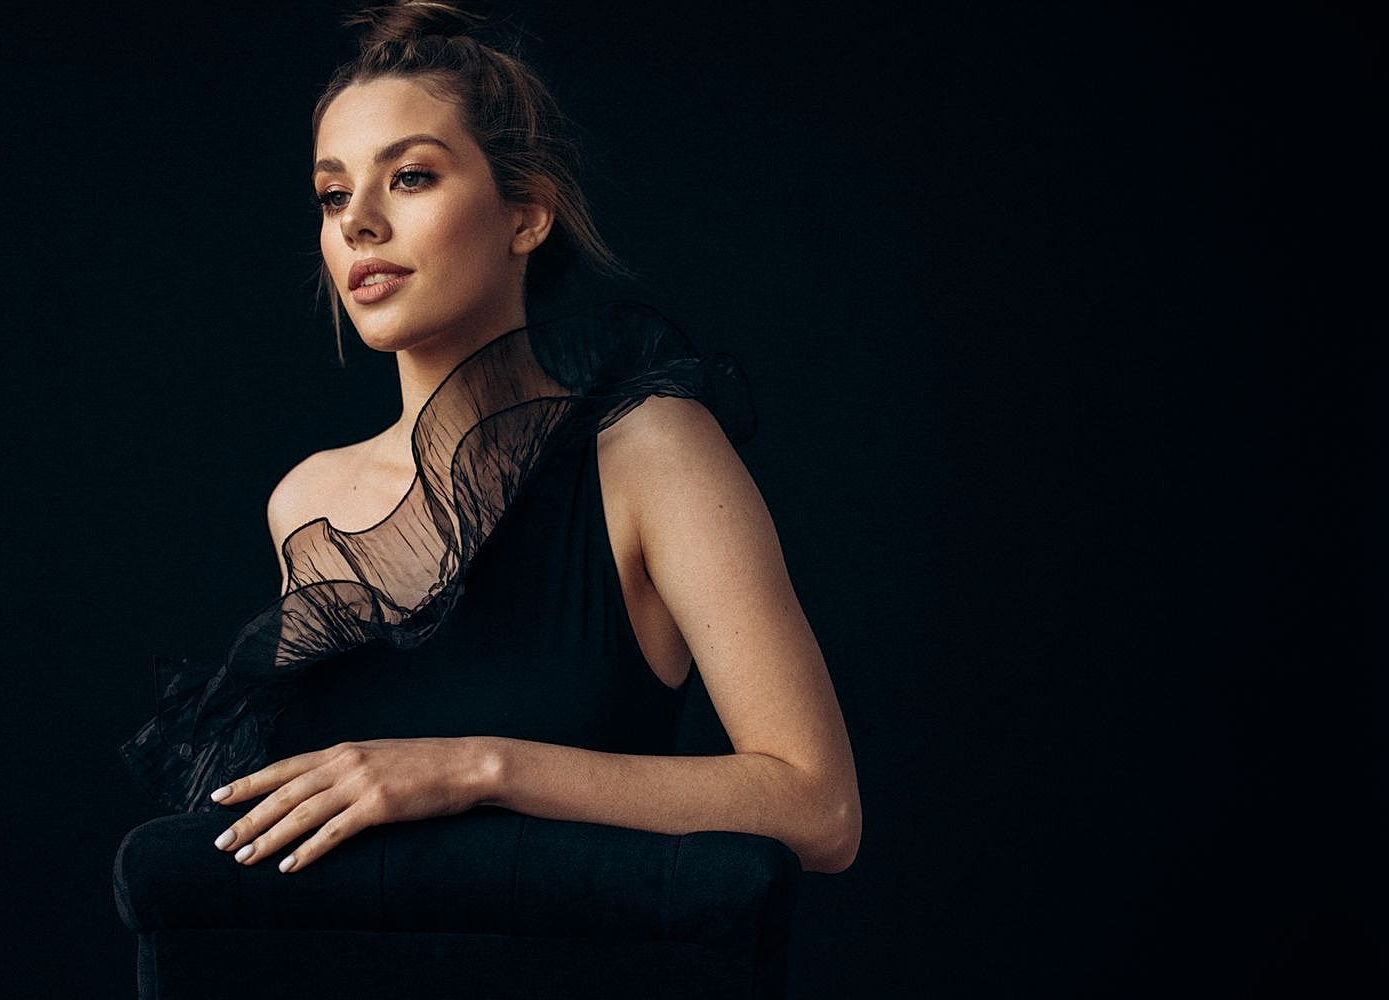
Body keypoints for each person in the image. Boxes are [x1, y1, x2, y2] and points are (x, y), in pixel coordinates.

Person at [120, 0, 861, 877]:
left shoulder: (650, 453)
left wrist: (478, 768)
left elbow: (819, 809)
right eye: (332, 193)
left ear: (527, 214)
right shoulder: (307, 502)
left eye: (411, 177)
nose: (357, 221)